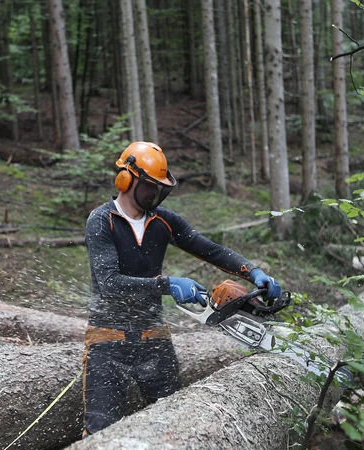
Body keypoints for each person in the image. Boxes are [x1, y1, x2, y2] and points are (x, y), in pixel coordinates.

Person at [82, 141, 282, 436]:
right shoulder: (102, 221)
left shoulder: (165, 220)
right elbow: (110, 284)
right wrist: (167, 284)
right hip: (107, 340)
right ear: (126, 179)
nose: (155, 194)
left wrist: (252, 271)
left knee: (173, 424)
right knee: (99, 432)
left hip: (154, 338)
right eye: (150, 186)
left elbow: (210, 250)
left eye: (160, 188)